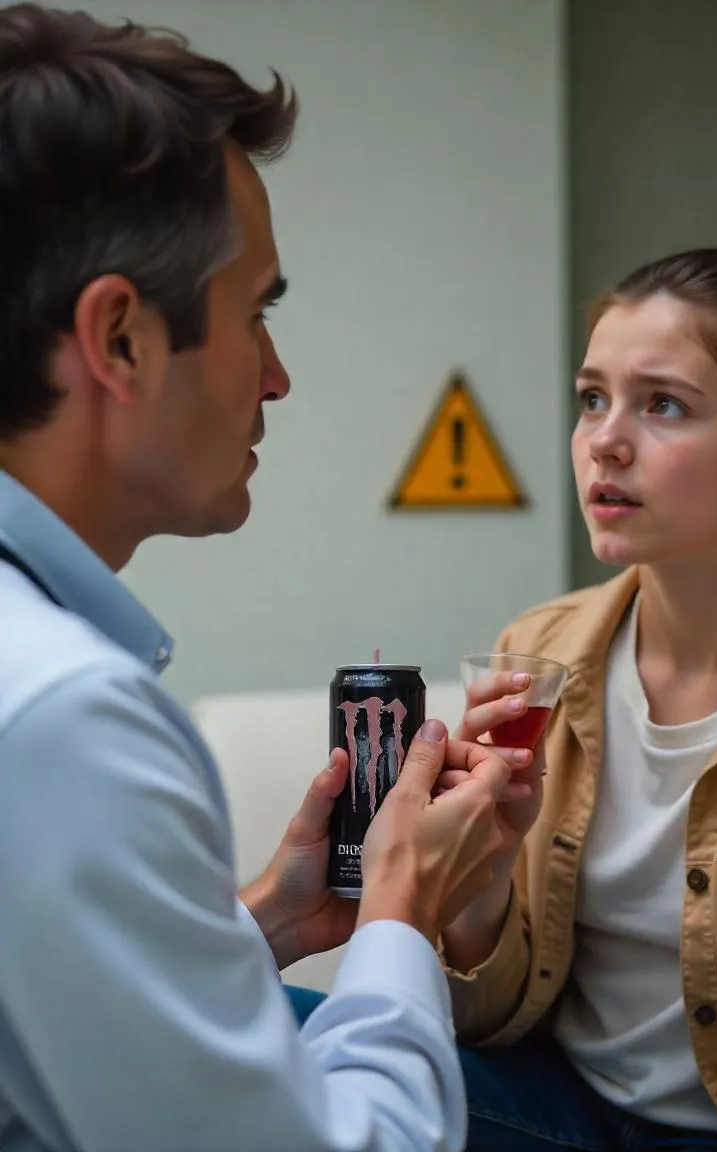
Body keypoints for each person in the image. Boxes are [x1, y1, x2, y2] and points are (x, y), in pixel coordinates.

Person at [0, 5, 524, 1151]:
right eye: (257, 313)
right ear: (121, 339)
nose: (277, 379)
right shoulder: (63, 720)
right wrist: (401, 916)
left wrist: (280, 916)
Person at [435, 247, 717, 1150]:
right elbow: (485, 1018)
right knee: (286, 1027)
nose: (605, 440)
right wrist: (473, 885)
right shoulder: (534, 650)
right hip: (562, 1109)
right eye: (593, 398)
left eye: (662, 405)